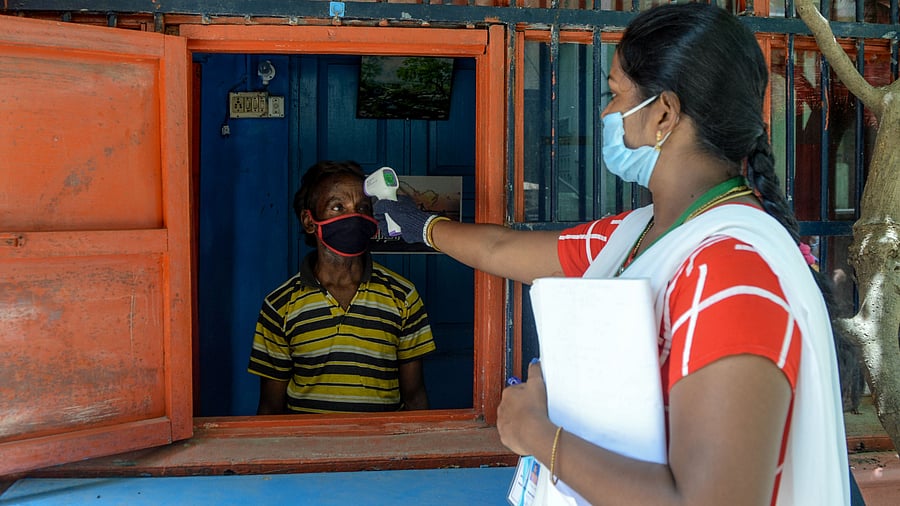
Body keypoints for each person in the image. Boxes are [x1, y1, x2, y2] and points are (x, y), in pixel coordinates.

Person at [373, 4, 849, 505]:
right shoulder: (638, 235)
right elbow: (502, 248)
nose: (605, 113)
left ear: (664, 112)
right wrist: (423, 226)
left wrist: (536, 434)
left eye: (614, 93)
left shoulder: (731, 270)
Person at [248, 160, 436, 415]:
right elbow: (271, 406)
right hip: (308, 450)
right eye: (338, 207)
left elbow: (414, 398)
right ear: (309, 221)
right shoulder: (280, 305)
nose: (353, 215)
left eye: (362, 207)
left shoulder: (403, 296)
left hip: (382, 449)